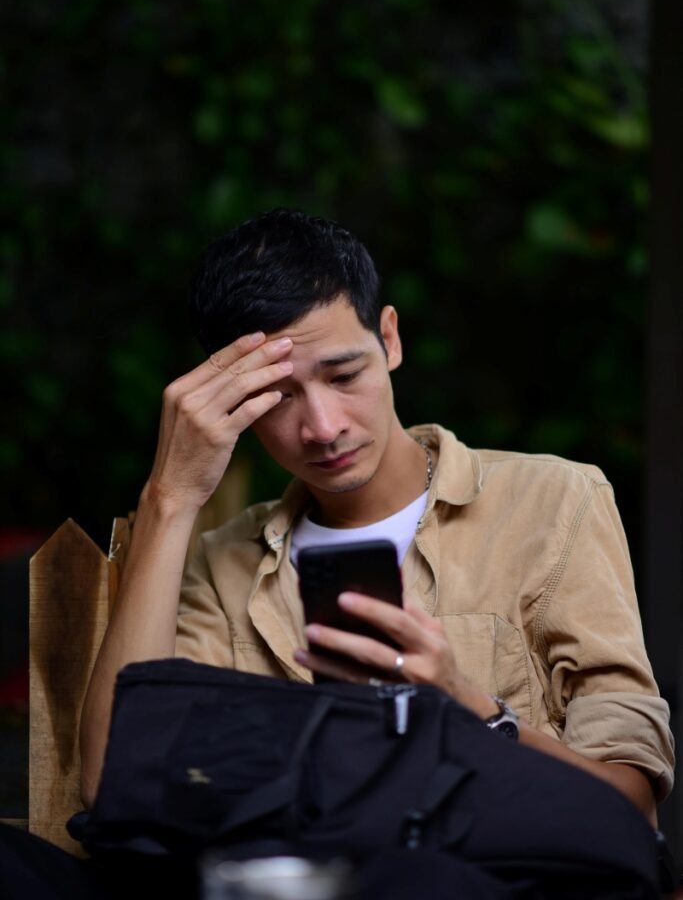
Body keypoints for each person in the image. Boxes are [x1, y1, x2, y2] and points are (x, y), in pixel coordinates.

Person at [80, 208, 673, 827]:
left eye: (343, 375)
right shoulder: (225, 564)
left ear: (389, 340)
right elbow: (110, 784)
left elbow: (629, 808)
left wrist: (465, 708)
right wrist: (169, 499)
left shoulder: (552, 502)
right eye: (278, 399)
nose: (324, 427)